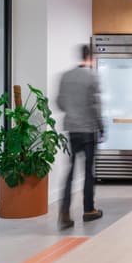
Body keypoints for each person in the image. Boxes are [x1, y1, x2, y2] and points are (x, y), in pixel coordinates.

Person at [57, 44, 104, 230]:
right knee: (88, 171)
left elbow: (60, 103)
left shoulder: (66, 76)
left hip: (72, 129)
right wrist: (102, 127)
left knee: (70, 171)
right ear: (91, 57)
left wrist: (73, 109)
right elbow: (95, 105)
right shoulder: (92, 77)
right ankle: (89, 210)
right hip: (88, 129)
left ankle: (64, 212)